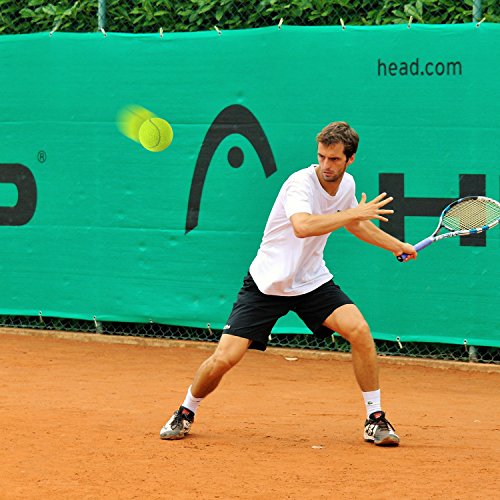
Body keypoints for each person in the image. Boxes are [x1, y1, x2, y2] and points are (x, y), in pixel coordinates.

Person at [160, 121, 417, 446]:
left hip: (311, 281)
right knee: (224, 359)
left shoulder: (347, 185)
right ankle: (186, 410)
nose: (326, 165)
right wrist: (353, 215)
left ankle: (375, 419)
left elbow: (356, 226)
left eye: (335, 159)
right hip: (267, 284)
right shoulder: (300, 184)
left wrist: (395, 245)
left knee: (360, 332)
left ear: (349, 159)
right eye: (322, 156)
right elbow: (303, 226)